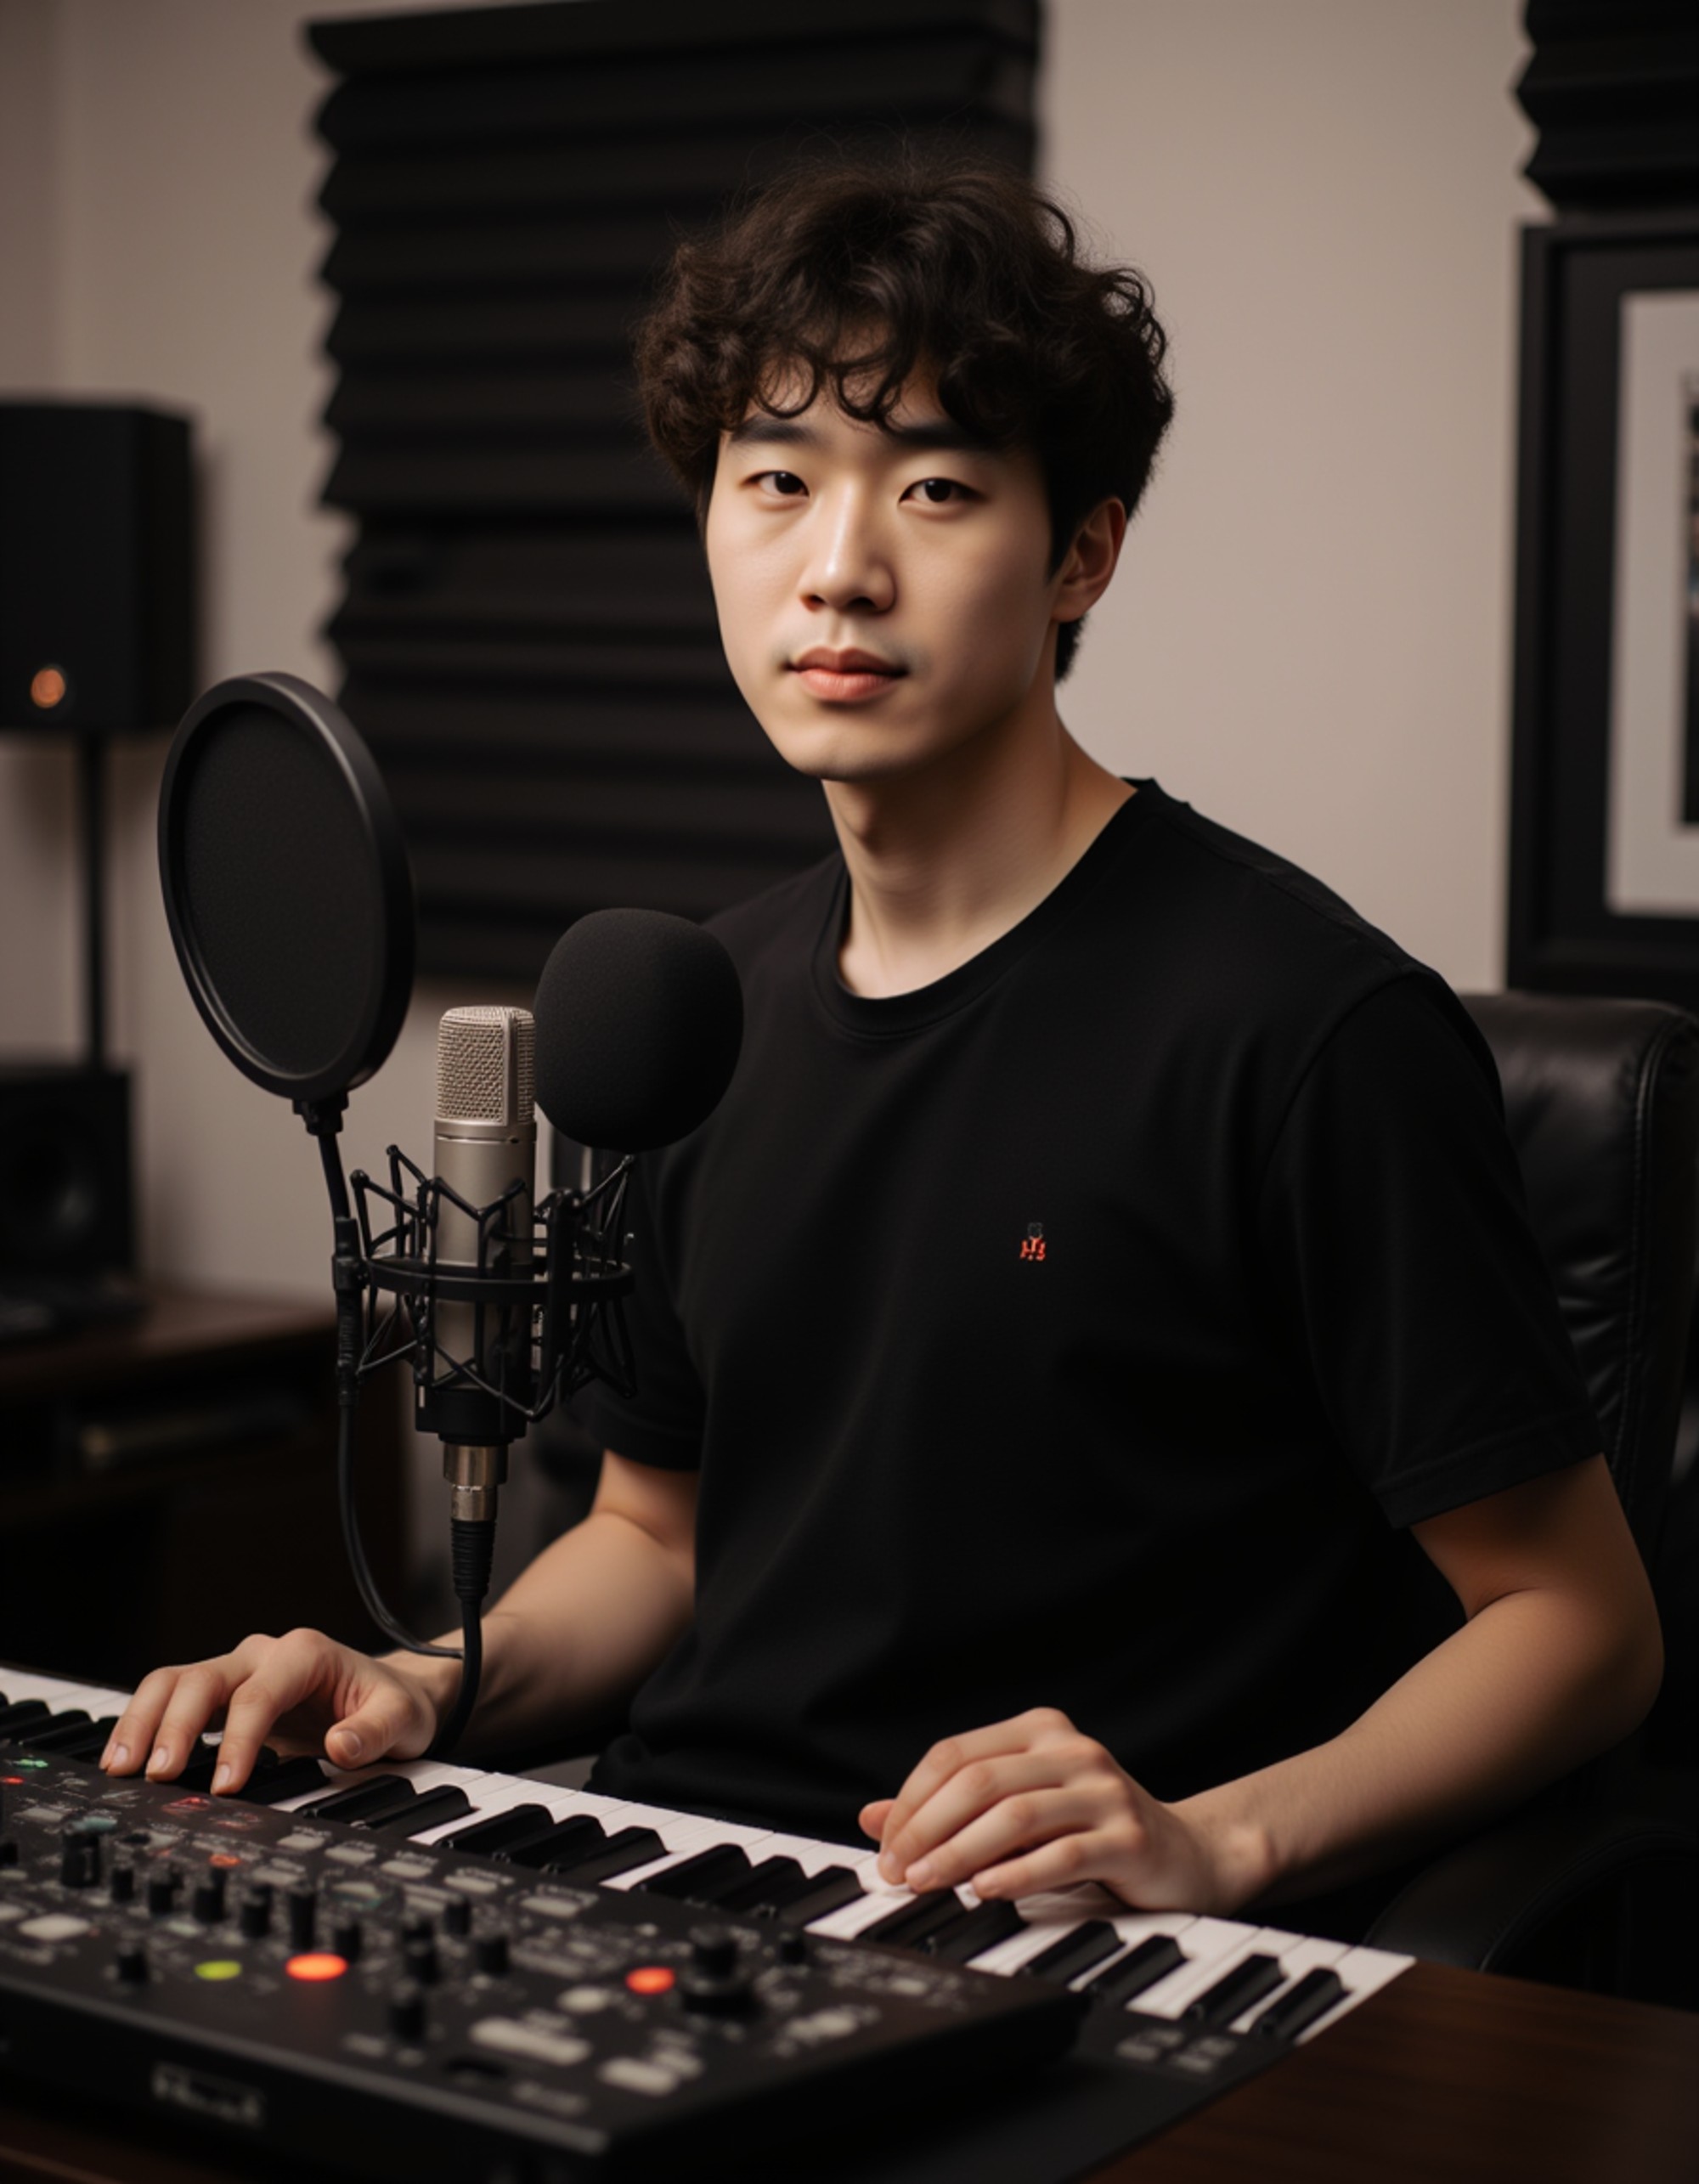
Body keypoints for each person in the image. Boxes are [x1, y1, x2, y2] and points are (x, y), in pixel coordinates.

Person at [104, 152, 1662, 1933]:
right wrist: (426, 1677)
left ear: (1081, 552)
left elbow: (1582, 1629)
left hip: (1067, 1941)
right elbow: (654, 1539)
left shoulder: (1305, 1027)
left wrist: (1216, 1838)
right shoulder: (691, 1008)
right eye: (773, 482)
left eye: (931, 487)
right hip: (678, 1900)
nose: (836, 568)